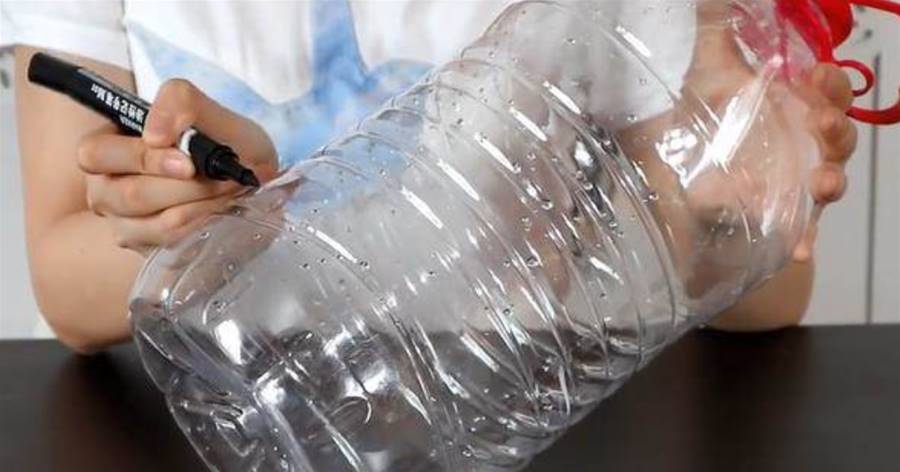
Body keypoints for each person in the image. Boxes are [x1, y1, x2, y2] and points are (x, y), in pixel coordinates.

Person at [2, 0, 856, 354]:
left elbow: (769, 302)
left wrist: (730, 200)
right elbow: (67, 287)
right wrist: (226, 225)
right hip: (219, 401)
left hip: (525, 404)